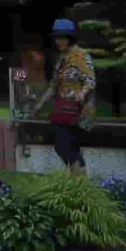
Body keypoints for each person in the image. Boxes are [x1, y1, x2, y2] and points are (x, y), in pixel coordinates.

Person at [30, 18, 96, 171]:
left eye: (61, 38)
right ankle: (80, 180)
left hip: (79, 110)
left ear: (70, 38)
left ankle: (78, 180)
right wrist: (40, 105)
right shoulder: (61, 58)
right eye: (56, 38)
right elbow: (54, 85)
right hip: (63, 109)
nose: (57, 42)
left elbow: (90, 80)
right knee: (68, 148)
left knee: (65, 146)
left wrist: (82, 92)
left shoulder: (81, 56)